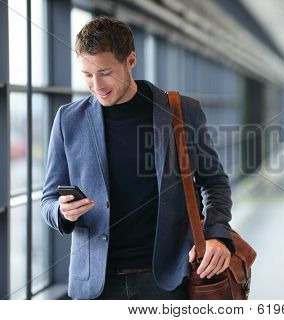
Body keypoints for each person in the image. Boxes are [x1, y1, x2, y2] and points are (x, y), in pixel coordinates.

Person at [41, 16, 235, 300]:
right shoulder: (68, 120)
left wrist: (217, 233)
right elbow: (47, 201)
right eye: (87, 74)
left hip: (168, 279)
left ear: (130, 60)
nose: (96, 85)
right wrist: (61, 212)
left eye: (105, 72)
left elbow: (214, 181)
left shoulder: (181, 111)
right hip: (96, 285)